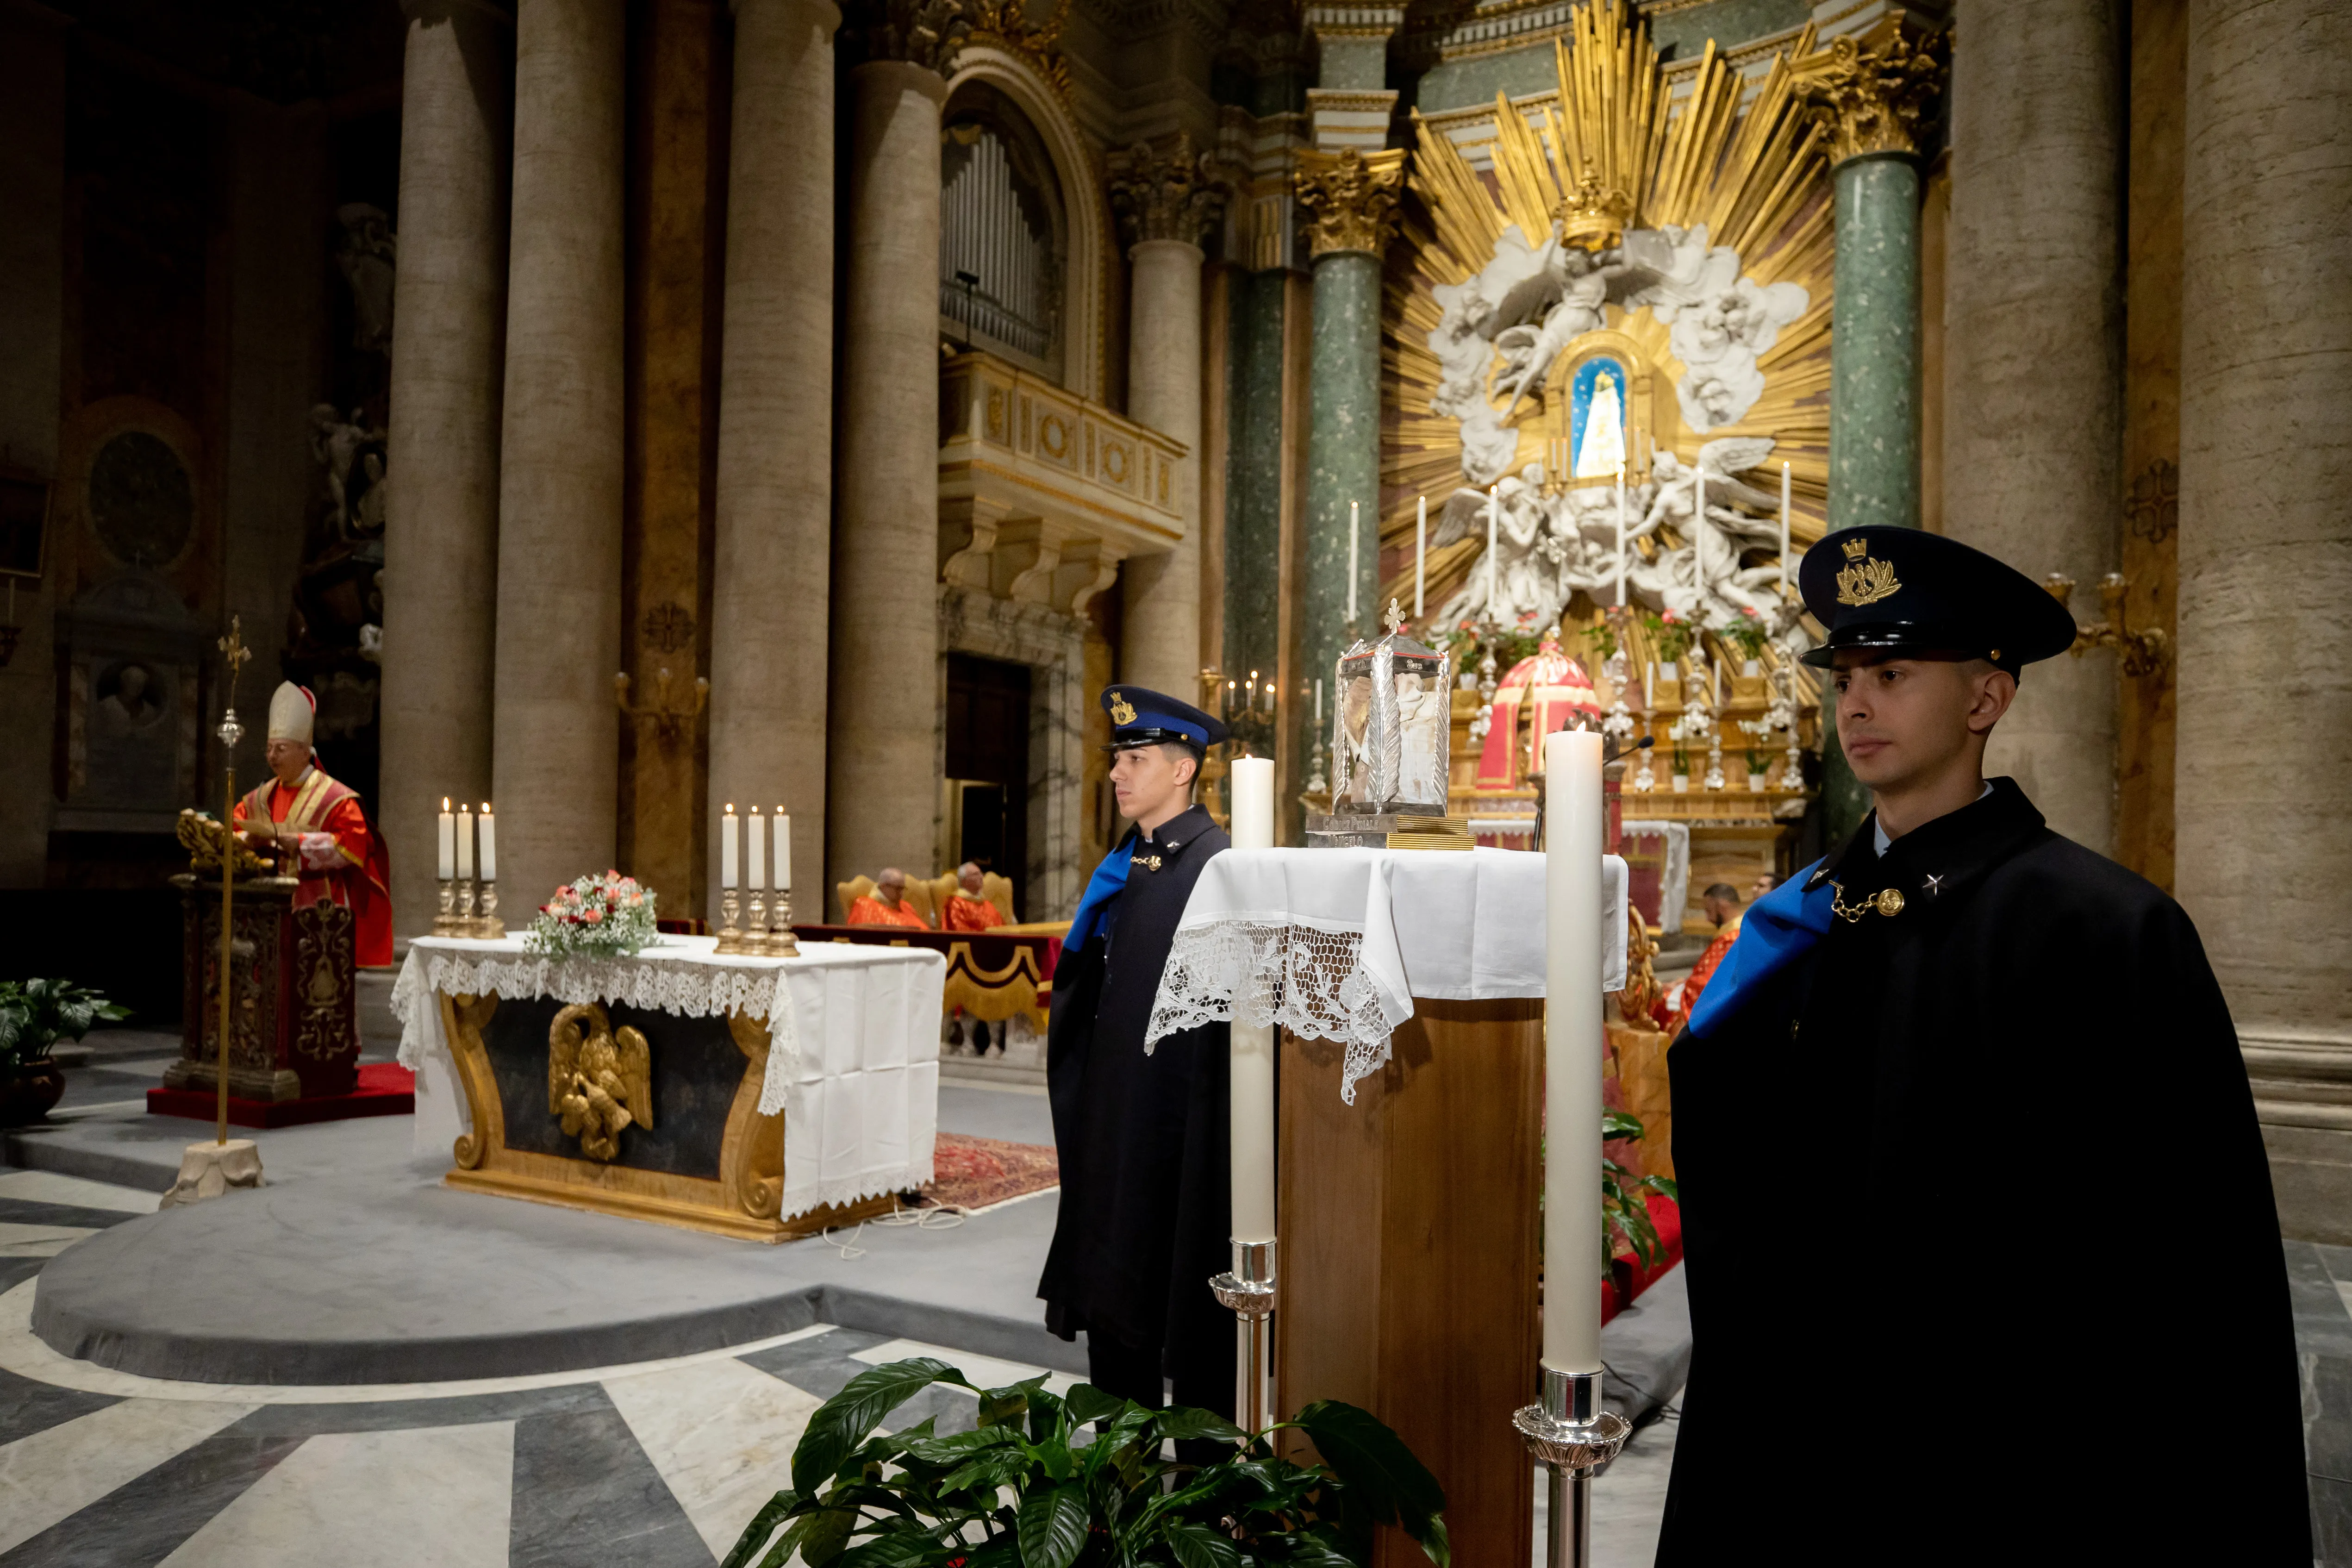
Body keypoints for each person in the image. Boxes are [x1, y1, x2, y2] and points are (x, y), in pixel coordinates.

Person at [1657, 527, 2308, 1562]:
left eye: (1892, 673)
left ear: (1983, 701)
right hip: (1805, 1447)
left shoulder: (2101, 929)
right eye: (1845, 677)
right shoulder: (1806, 919)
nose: (1855, 703)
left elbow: (2187, 1256)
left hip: (2005, 1459)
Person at [1038, 685, 1234, 1425]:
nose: (1118, 773)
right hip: (1115, 1120)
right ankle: (1121, 1483)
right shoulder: (1129, 865)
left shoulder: (1219, 867)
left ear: (1182, 770)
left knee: (1183, 1311)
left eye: (1136, 758)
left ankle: (1201, 1500)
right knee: (1116, 1303)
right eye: (1117, 758)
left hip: (1178, 1132)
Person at [232, 681, 393, 968]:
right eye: (268, 749)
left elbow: (353, 847)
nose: (272, 757)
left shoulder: (336, 799)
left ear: (306, 751)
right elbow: (235, 831)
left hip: (320, 910)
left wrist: (301, 845)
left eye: (280, 749)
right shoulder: (260, 798)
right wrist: (247, 841)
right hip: (265, 911)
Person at [1662, 882, 1741, 1037]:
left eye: (1709, 911)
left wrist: (1684, 988)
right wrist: (1683, 983)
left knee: (1658, 1001)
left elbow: (1708, 984)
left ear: (1722, 907)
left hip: (1712, 1007)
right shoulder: (1733, 933)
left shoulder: (1731, 939)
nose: (1707, 919)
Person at [846, 867, 930, 930]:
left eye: (903, 889)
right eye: (897, 889)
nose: (901, 893)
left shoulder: (906, 906)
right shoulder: (865, 906)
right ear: (883, 886)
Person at [942, 862, 1006, 933]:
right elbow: (959, 931)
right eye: (976, 875)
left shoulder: (985, 902)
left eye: (981, 874)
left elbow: (1001, 927)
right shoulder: (956, 903)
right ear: (964, 881)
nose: (981, 877)